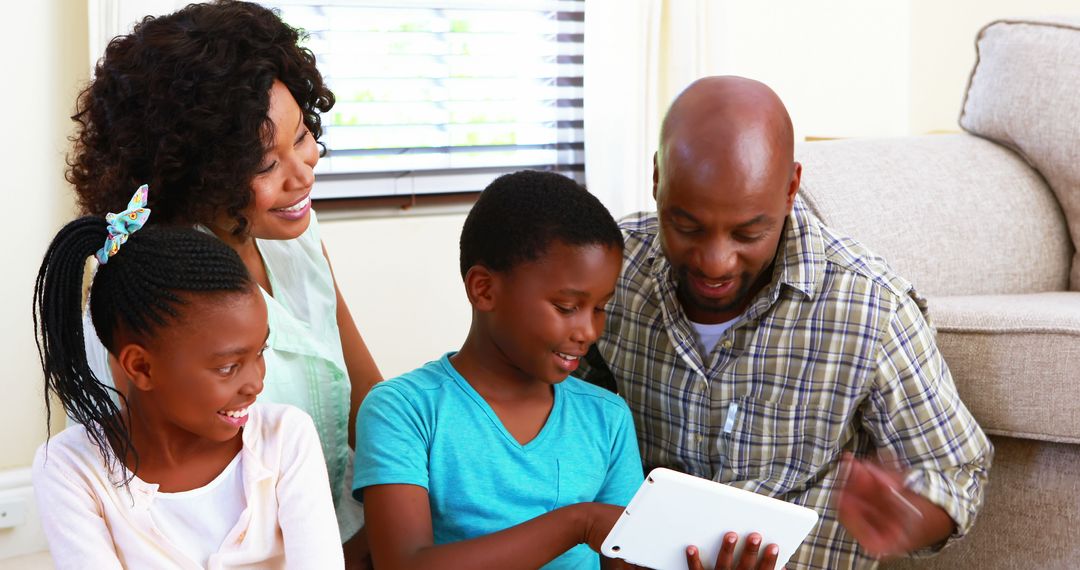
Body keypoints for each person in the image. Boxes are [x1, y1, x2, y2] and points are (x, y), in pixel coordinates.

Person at [579, 76, 993, 569]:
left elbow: (956, 475)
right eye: (686, 227)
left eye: (748, 232)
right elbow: (561, 416)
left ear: (792, 186)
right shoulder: (615, 270)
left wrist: (912, 514)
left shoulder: (870, 308)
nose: (715, 262)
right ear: (657, 179)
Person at [67, 1, 377, 559]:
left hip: (350, 531)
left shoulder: (298, 241)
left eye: (302, 136)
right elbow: (146, 510)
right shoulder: (150, 305)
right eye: (266, 164)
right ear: (194, 173)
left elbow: (366, 400)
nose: (304, 172)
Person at [352, 171, 780, 570]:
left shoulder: (606, 418)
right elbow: (404, 563)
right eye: (566, 307)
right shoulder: (404, 411)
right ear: (484, 289)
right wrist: (578, 524)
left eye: (600, 308)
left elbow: (624, 561)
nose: (589, 330)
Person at [31, 187, 344, 569]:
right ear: (141, 367)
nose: (256, 383)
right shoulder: (70, 467)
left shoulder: (286, 439)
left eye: (260, 353)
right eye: (228, 367)